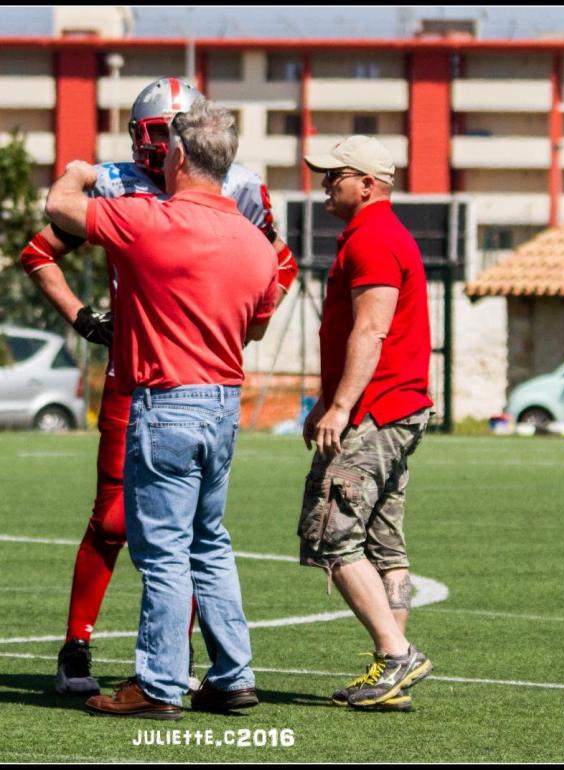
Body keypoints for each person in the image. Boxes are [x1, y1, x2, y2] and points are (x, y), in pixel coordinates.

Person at [18, 77, 297, 696]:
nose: (156, 148)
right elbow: (39, 252)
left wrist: (73, 172)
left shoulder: (211, 195)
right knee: (151, 526)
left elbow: (283, 264)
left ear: (182, 144)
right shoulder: (134, 190)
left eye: (166, 136)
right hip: (173, 383)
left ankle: (163, 676)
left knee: (172, 538)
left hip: (170, 386)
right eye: (150, 135)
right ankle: (93, 649)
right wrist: (87, 319)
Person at [299, 135, 434, 711]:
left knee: (330, 533)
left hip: (376, 413)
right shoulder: (375, 235)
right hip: (396, 409)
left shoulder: (375, 238)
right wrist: (328, 398)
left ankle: (395, 652)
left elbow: (371, 331)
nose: (326, 183)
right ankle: (389, 669)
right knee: (384, 543)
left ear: (369, 185)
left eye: (336, 175)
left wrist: (338, 406)